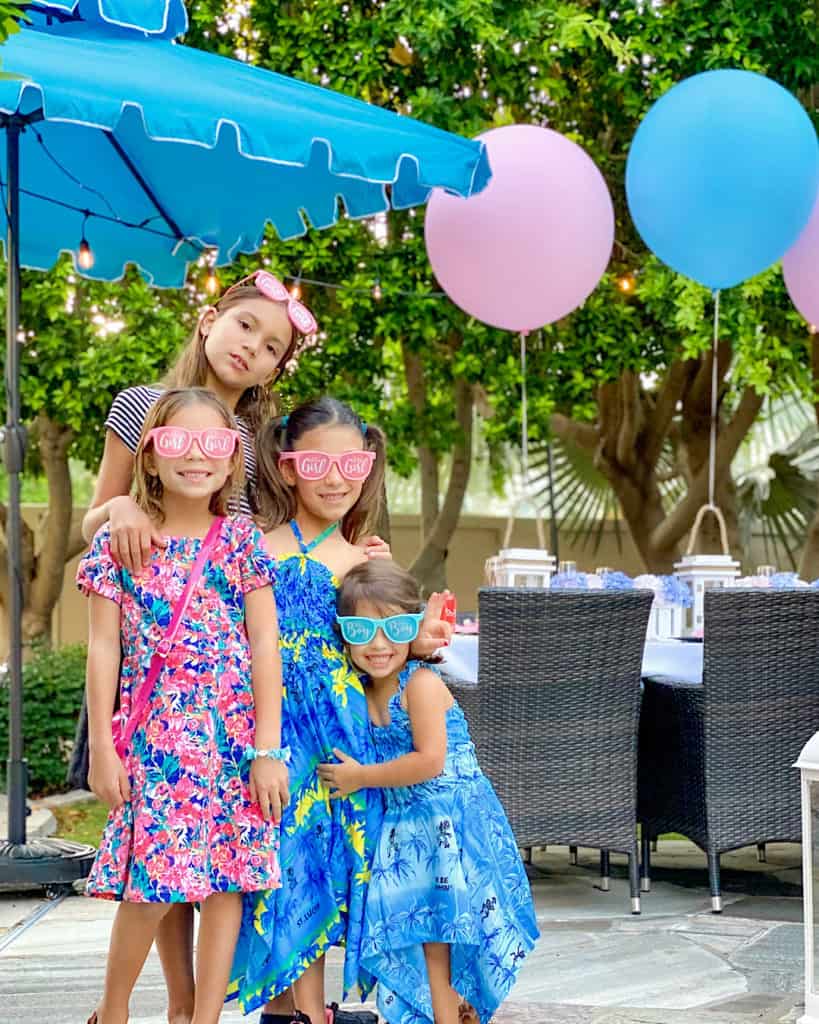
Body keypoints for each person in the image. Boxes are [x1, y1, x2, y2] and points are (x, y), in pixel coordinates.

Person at [229, 397, 452, 1024]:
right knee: (281, 868)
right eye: (317, 461)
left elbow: (387, 644)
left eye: (350, 461)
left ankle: (310, 1011)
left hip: (344, 739)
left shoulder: (365, 559)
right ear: (286, 465)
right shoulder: (253, 549)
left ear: (369, 463)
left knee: (330, 867)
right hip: (271, 733)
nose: (335, 476)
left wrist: (423, 636)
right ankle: (287, 1010)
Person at [79, 388, 289, 1024]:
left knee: (226, 884)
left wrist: (268, 749)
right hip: (158, 744)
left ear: (232, 464)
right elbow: (101, 647)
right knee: (152, 884)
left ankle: (201, 1018)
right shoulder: (120, 546)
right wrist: (103, 752)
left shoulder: (242, 543)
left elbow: (264, 645)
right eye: (177, 442)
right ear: (148, 457)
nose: (195, 457)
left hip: (231, 742)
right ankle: (111, 1012)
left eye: (214, 445)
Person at [319, 560, 539, 1024]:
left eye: (394, 628)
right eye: (362, 630)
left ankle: (453, 1014)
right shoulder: (358, 686)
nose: (378, 645)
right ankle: (452, 1013)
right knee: (422, 943)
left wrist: (361, 777)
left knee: (440, 943)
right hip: (407, 831)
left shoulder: (418, 685)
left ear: (411, 628)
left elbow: (429, 761)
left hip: (449, 828)